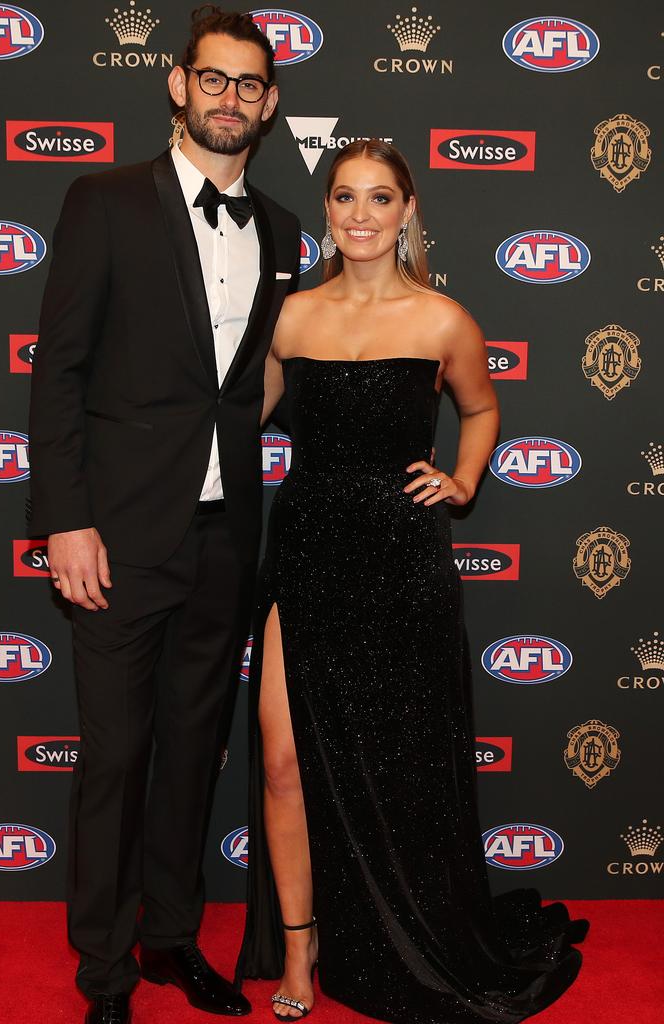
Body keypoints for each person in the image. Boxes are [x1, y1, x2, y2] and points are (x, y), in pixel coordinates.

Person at [235, 139, 588, 1023]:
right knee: (283, 762)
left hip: (401, 561)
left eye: (380, 199)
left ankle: (408, 928)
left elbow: (481, 406)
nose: (361, 214)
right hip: (307, 547)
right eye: (346, 197)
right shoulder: (289, 317)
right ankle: (299, 949)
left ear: (407, 212)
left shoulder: (443, 321)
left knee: (405, 769)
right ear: (327, 211)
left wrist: (463, 479)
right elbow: (236, 416)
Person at [27, 7, 300, 1023]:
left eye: (250, 84)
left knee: (195, 749)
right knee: (115, 757)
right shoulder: (102, 201)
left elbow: (252, 378)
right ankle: (103, 972)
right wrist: (65, 519)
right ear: (178, 86)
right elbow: (58, 374)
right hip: (116, 537)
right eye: (214, 79)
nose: (231, 97)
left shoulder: (279, 226)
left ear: (269, 105)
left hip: (227, 537)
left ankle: (170, 940)